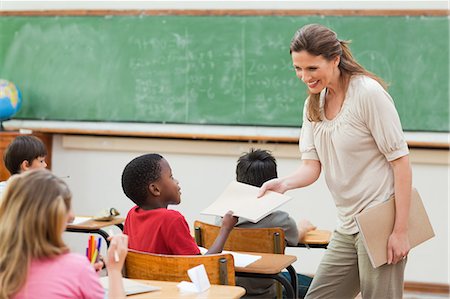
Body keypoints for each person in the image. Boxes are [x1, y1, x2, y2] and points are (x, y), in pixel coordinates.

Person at [259, 24, 412, 299]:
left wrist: (400, 231)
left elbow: (400, 162)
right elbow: (312, 166)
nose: (304, 76)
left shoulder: (367, 94)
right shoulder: (313, 104)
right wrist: (283, 184)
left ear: (335, 59)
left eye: (312, 68)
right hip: (348, 224)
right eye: (298, 68)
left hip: (380, 219)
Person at [0, 169, 128, 299]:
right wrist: (114, 271)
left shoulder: (5, 266)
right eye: (68, 207)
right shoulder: (75, 268)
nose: (72, 216)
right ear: (56, 215)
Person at [217, 148, 316, 298]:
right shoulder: (280, 221)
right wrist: (304, 227)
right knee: (314, 285)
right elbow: (296, 236)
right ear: (273, 182)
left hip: (231, 292)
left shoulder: (221, 219)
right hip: (267, 292)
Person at [122, 153, 238, 255]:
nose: (177, 181)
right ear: (155, 189)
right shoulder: (172, 219)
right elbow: (201, 266)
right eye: (171, 177)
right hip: (173, 281)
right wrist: (225, 229)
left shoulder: (132, 214)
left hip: (142, 280)